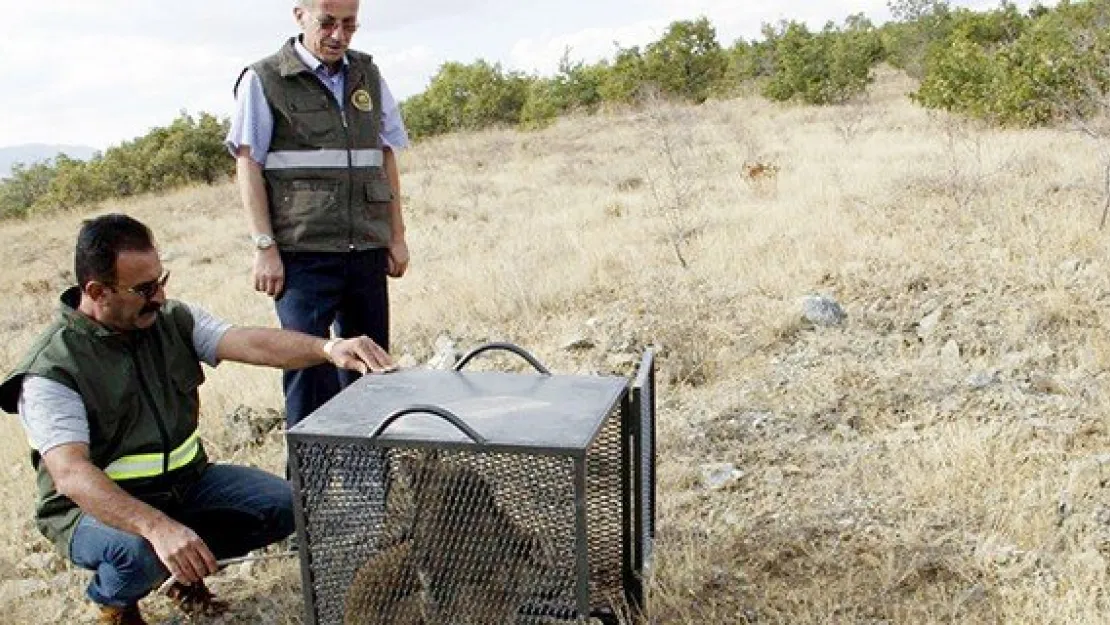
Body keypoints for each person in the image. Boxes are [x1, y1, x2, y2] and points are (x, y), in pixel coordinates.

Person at [0, 214, 395, 625]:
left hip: (184, 486)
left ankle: (183, 572)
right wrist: (158, 527)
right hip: (94, 510)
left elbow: (247, 341)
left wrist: (328, 348)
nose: (159, 296)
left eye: (161, 280)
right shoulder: (51, 370)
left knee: (284, 506)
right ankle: (114, 601)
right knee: (138, 554)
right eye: (143, 289)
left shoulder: (172, 319)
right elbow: (71, 475)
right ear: (97, 291)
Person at [225, 0, 411, 429]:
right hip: (302, 255)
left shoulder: (368, 74)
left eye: (349, 25)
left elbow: (384, 158)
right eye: (327, 23)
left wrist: (396, 236)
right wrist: (264, 247)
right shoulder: (265, 79)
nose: (338, 36)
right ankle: (310, 488)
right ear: (299, 15)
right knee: (310, 372)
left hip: (365, 247)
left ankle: (369, 482)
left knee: (370, 365)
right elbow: (248, 165)